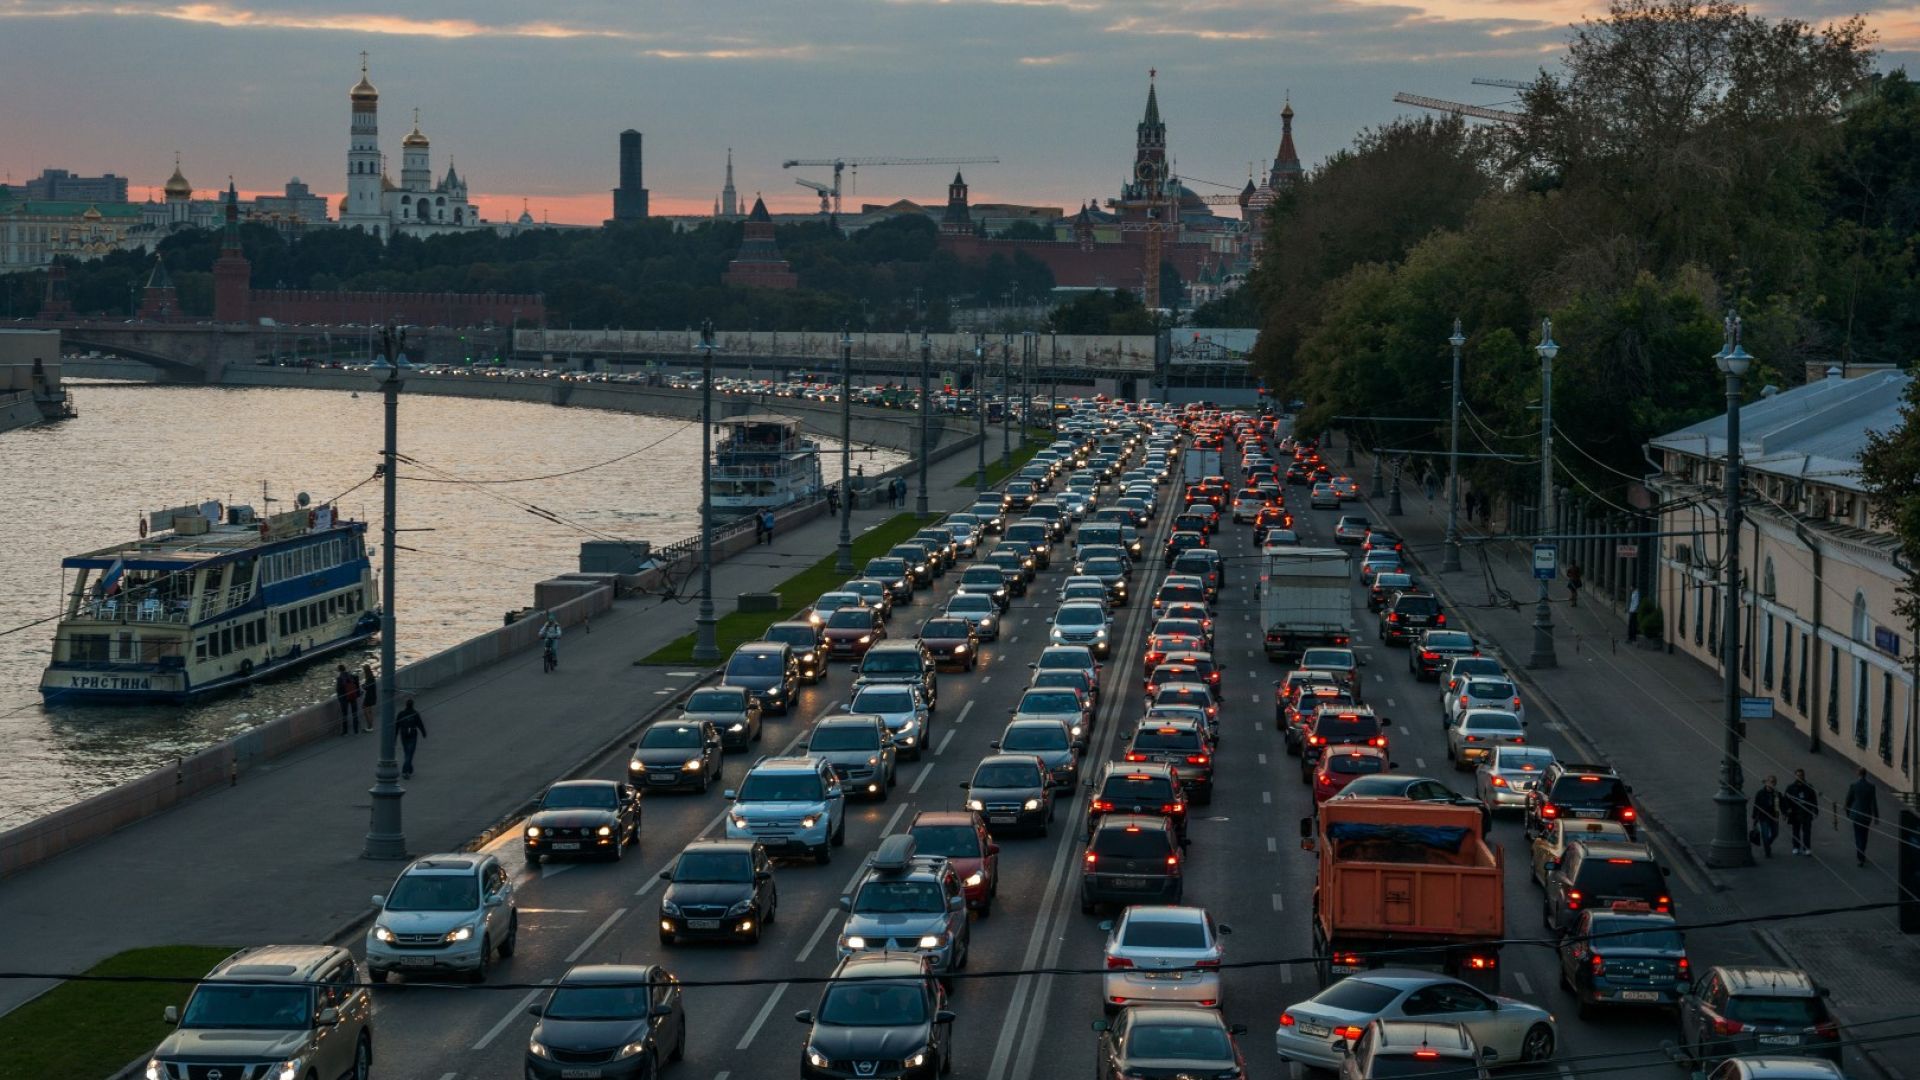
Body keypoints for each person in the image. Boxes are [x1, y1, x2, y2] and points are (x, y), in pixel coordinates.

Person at [1845, 767, 1879, 867]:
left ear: (1858, 774)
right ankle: (1862, 854)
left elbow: (1848, 801)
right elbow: (1874, 802)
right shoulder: (1871, 787)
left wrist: (1848, 813)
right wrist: (1876, 816)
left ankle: (1860, 857)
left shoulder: (1854, 786)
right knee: (1864, 835)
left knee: (1858, 835)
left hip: (1856, 814)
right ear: (1865, 774)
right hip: (1866, 815)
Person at [1784, 768, 1819, 856]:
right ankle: (1796, 847)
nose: (1799, 777)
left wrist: (1815, 810)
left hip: (1806, 812)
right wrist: (1787, 810)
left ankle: (1807, 848)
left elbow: (1814, 799)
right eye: (1798, 775)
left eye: (1801, 775)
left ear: (1804, 776)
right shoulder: (1790, 787)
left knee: (1807, 831)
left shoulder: (1809, 787)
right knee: (1796, 831)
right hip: (1795, 813)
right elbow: (1786, 800)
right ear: (1795, 776)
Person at [395, 697, 427, 778]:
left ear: (405, 705)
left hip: (403, 734)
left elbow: (397, 726)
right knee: (410, 753)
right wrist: (423, 733)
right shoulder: (415, 713)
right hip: (413, 734)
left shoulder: (401, 714)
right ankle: (405, 770)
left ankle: (409, 768)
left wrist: (394, 737)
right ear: (413, 705)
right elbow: (420, 724)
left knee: (406, 752)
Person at [1751, 774, 1782, 858]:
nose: (1771, 783)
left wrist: (1785, 813)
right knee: (1765, 834)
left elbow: (1781, 804)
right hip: (1763, 817)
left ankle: (1767, 844)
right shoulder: (1760, 793)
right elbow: (1756, 805)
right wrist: (1754, 817)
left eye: (1773, 782)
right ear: (1766, 782)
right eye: (1770, 781)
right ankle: (1767, 850)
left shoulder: (1777, 794)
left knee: (1775, 833)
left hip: (1774, 816)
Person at [335, 664, 357, 736]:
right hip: (352, 695)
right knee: (354, 713)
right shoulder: (350, 675)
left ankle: (345, 732)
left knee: (345, 715)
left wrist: (340, 697)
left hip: (344, 698)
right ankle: (356, 729)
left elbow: (338, 689)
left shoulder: (339, 678)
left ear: (339, 670)